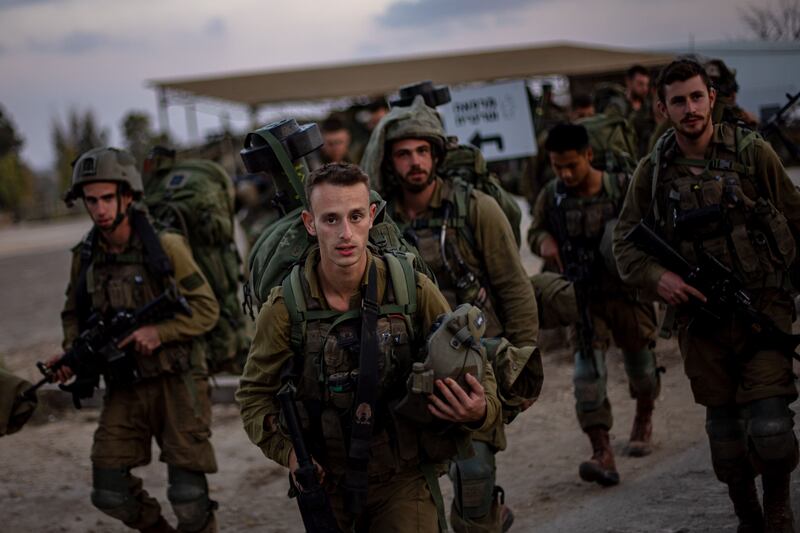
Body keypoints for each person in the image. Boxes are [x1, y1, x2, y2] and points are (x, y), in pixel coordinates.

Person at [237, 162, 501, 532]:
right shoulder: (286, 308)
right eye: (330, 219)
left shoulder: (410, 287)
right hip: (328, 479)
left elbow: (472, 357)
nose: (345, 233)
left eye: (355, 216)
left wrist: (478, 409)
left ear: (371, 216)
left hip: (402, 476)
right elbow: (253, 395)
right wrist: (292, 454)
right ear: (310, 223)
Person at [614, 58, 800, 531]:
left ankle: (778, 507)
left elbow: (796, 219)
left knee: (773, 429)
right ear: (662, 107)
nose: (690, 108)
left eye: (697, 97)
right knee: (726, 438)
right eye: (679, 100)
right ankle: (748, 515)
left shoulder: (753, 153)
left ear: (712, 99)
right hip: (703, 323)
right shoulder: (652, 171)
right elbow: (625, 242)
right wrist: (661, 279)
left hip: (762, 308)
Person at [361, 98, 542, 532]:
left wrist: (524, 361)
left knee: (474, 476)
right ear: (389, 161)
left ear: (437, 156)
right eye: (403, 154)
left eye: (422, 151)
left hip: (473, 365)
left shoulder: (475, 208)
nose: (414, 162)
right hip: (406, 369)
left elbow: (513, 287)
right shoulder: (374, 223)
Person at [52, 147, 221, 533]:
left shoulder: (167, 248)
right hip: (125, 385)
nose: (99, 210)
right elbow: (73, 313)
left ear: (127, 196)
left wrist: (158, 332)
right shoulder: (87, 255)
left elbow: (206, 309)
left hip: (178, 382)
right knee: (109, 490)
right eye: (91, 200)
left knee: (189, 498)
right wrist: (72, 354)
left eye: (108, 198)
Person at [528, 123, 660, 487]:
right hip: (581, 298)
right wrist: (544, 244)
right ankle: (602, 451)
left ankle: (644, 415)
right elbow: (535, 230)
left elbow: (649, 229)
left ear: (589, 155)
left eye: (571, 165)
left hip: (627, 295)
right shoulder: (551, 195)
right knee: (587, 377)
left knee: (643, 368)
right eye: (557, 167)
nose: (565, 174)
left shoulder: (621, 187)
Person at [625, 65, 657, 159]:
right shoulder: (619, 107)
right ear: (629, 82)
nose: (645, 89)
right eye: (640, 84)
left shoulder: (650, 109)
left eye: (646, 84)